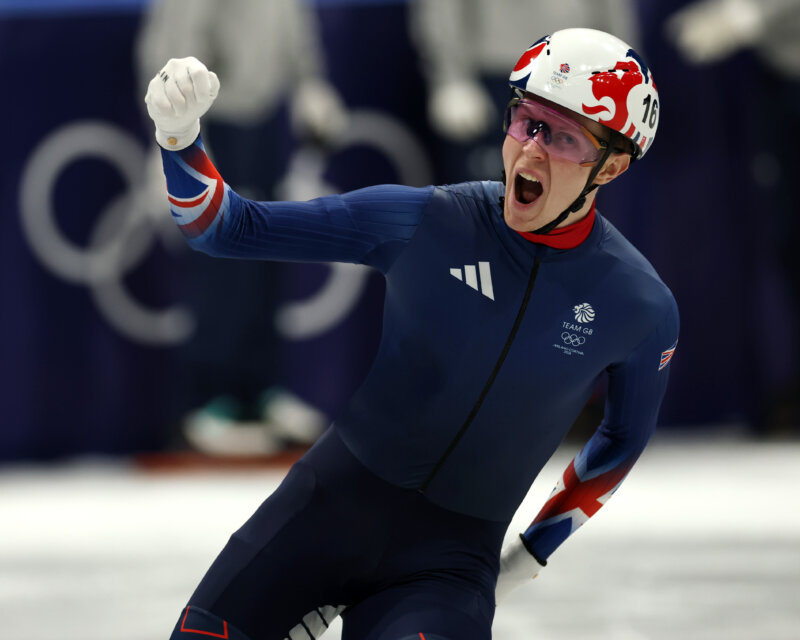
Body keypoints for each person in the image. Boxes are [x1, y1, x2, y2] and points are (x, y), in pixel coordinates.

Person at [145, 28, 678, 640]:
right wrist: (178, 137)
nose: (530, 152)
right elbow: (225, 228)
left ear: (610, 167)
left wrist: (530, 554)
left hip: (445, 572)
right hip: (322, 514)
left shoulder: (639, 305)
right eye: (525, 121)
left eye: (561, 138)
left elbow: (620, 440)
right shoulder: (426, 219)